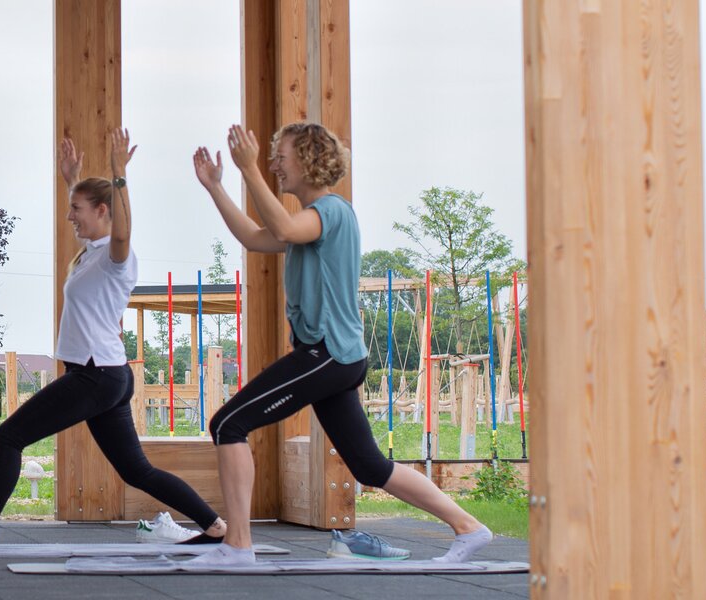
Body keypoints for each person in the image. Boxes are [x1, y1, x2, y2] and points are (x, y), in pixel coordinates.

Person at [183, 123, 493, 566]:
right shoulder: (310, 218)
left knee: (228, 424)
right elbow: (256, 238)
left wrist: (248, 170)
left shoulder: (331, 211)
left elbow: (286, 228)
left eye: (281, 158)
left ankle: (237, 545)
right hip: (336, 358)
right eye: (270, 159)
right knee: (369, 466)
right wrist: (216, 187)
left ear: (309, 162)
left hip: (325, 354)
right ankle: (469, 527)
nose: (274, 166)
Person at [0, 131, 227, 550]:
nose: (70, 216)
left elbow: (122, 233)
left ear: (104, 210)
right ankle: (215, 526)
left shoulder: (116, 257)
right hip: (105, 374)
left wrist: (120, 173)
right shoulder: (90, 252)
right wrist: (71, 178)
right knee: (136, 471)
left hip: (96, 375)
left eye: (77, 209)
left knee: (10, 437)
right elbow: (90, 218)